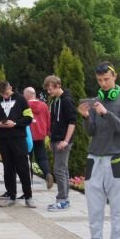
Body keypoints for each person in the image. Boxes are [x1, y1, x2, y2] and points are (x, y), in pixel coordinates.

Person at [77, 63, 120, 239]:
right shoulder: (96, 101)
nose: (103, 84)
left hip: (116, 159)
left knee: (117, 208)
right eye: (100, 80)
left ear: (114, 77)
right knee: (94, 208)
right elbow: (91, 131)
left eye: (106, 79)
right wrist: (86, 117)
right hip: (94, 159)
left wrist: (105, 113)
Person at [0, 81, 35, 208]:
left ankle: (28, 196)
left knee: (23, 168)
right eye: (2, 94)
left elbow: (29, 118)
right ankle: (11, 195)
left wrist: (15, 123)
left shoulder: (21, 99)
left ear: (10, 88)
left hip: (19, 138)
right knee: (8, 169)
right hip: (4, 139)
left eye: (7, 93)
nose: (5, 96)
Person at [44, 75, 77, 211]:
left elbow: (72, 122)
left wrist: (66, 141)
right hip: (56, 140)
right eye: (47, 89)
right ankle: (65, 199)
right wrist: (51, 139)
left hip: (63, 141)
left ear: (58, 86)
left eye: (50, 89)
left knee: (59, 170)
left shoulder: (66, 100)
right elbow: (53, 122)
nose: (48, 92)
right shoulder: (55, 101)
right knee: (63, 169)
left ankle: (62, 200)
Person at [24, 86, 52, 189]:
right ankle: (47, 173)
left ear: (26, 95)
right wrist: (48, 133)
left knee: (27, 160)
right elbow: (48, 120)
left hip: (28, 136)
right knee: (42, 157)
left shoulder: (24, 105)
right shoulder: (44, 105)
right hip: (40, 135)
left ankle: (28, 183)